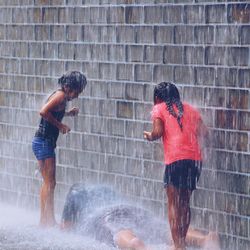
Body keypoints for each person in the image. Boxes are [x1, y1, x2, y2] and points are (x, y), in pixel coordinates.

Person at [143, 82, 209, 250]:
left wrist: (150, 136)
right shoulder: (191, 109)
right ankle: (182, 243)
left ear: (157, 98)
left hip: (175, 159)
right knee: (185, 202)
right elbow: (205, 133)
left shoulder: (159, 108)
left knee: (173, 203)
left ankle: (178, 246)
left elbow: (158, 132)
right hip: (194, 160)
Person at [61, 184, 220, 250]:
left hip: (108, 216)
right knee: (161, 228)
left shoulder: (75, 194)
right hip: (132, 209)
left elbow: (66, 227)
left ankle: (135, 244)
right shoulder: (104, 189)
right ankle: (204, 239)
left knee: (119, 230)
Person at [32, 71, 87, 227]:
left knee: (49, 182)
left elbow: (53, 112)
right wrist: (60, 125)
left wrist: (67, 113)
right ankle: (46, 221)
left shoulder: (61, 96)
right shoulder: (60, 96)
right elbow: (43, 112)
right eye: (77, 91)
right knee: (49, 183)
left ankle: (47, 220)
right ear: (69, 87)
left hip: (44, 142)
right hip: (43, 142)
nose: (77, 95)